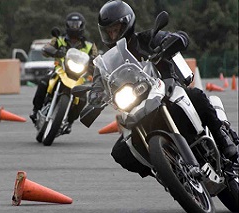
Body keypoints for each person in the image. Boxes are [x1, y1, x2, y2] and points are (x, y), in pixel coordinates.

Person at [89, 0, 238, 177]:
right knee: (121, 152)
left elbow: (179, 37)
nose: (113, 35)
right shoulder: (105, 63)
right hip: (136, 109)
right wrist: (93, 97)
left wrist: (174, 40)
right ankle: (166, 173)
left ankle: (224, 139)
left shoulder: (146, 39)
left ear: (127, 24)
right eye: (109, 31)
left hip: (166, 92)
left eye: (116, 29)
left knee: (195, 96)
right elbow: (97, 85)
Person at [30, 12, 98, 133]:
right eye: (72, 24)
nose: (74, 27)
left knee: (82, 98)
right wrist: (55, 52)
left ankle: (69, 122)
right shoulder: (58, 40)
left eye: (77, 25)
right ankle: (35, 111)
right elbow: (46, 49)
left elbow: (96, 58)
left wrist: (94, 63)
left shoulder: (89, 45)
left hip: (78, 76)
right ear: (67, 25)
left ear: (82, 26)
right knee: (43, 81)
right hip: (59, 71)